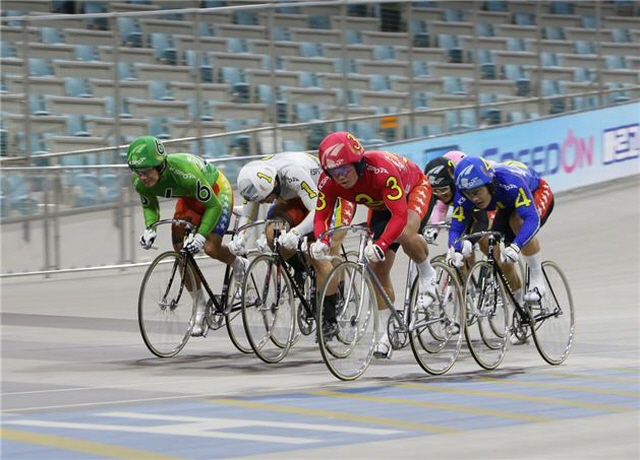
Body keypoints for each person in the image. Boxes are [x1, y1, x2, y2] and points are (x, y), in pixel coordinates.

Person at [310, 131, 437, 359]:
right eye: (334, 172)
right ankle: (385, 335)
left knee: (405, 232)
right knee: (377, 268)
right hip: (380, 205)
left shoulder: (381, 171)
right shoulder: (328, 182)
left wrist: (382, 243)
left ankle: (428, 272)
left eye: (344, 169)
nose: (340, 177)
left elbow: (399, 215)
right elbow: (321, 217)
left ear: (357, 162)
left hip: (412, 191)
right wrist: (322, 240)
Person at [127, 136, 249, 337]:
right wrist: (150, 228)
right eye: (137, 172)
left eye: (146, 171)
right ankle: (199, 306)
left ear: (161, 165)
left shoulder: (184, 173)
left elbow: (213, 206)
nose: (143, 177)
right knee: (179, 249)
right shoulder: (140, 182)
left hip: (216, 192)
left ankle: (238, 264)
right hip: (189, 197)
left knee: (210, 247)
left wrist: (200, 235)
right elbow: (149, 204)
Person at [228, 152, 355, 319]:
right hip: (295, 197)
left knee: (327, 248)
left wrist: (296, 232)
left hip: (330, 196)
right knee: (272, 233)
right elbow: (248, 215)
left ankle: (336, 298)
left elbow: (318, 212)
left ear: (274, 184)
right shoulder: (254, 178)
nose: (262, 203)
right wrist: (241, 238)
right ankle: (301, 269)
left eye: (265, 199)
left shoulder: (293, 173)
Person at [446, 156, 554, 305]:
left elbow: (531, 219)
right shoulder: (463, 196)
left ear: (489, 184)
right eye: (468, 194)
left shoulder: (510, 182)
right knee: (499, 254)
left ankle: (537, 279)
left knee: (517, 222)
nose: (474, 199)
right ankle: (519, 304)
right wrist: (454, 249)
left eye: (477, 192)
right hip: (506, 203)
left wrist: (516, 246)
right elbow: (456, 228)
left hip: (536, 192)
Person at [424, 151, 492, 258]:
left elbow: (482, 220)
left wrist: (472, 240)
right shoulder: (443, 186)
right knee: (461, 242)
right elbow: (440, 209)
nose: (441, 195)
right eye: (436, 191)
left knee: (481, 235)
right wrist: (434, 230)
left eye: (444, 190)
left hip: (481, 196)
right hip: (455, 175)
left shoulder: (465, 185)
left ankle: (495, 260)